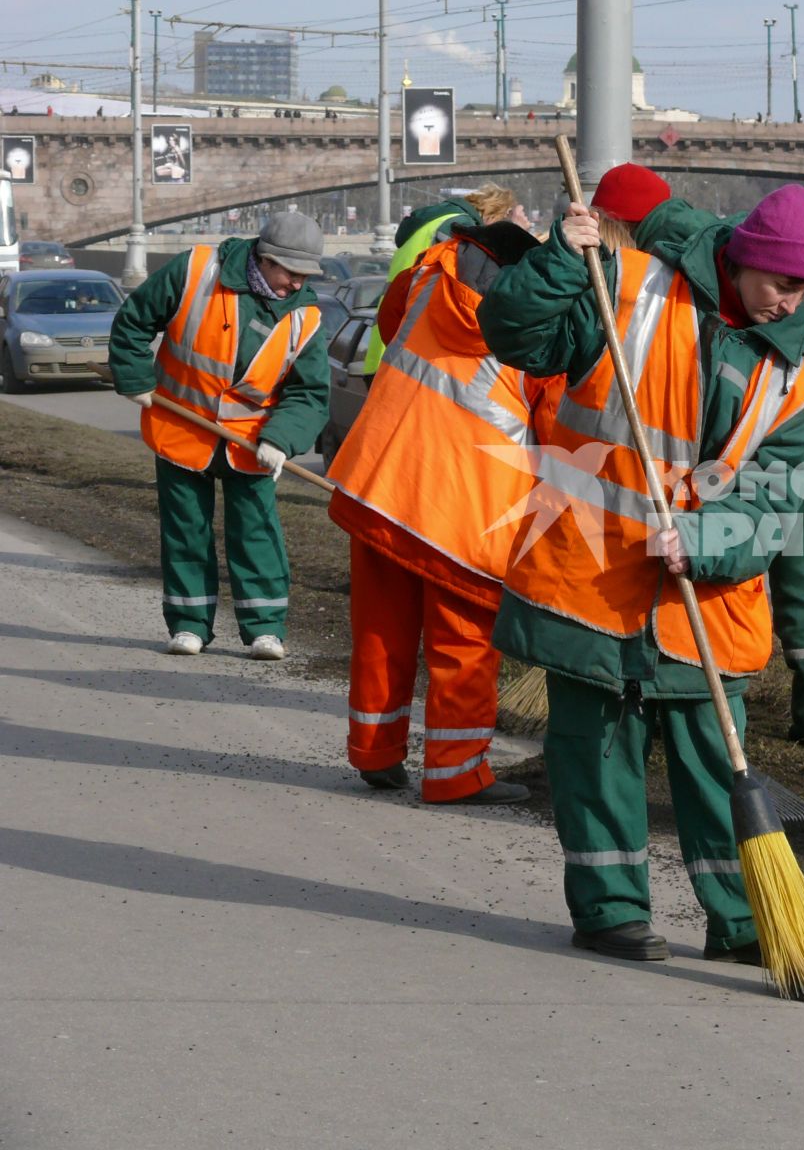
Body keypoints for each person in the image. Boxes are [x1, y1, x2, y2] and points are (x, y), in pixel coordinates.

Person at [478, 183, 804, 964]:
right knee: (594, 759)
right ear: (743, 262)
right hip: (588, 581)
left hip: (702, 601)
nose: (793, 302)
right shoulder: (629, 286)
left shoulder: (800, 376)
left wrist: (706, 541)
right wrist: (557, 265)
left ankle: (743, 920)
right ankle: (610, 911)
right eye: (783, 284)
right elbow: (515, 335)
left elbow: (779, 496)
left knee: (718, 770)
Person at [327, 214, 543, 804]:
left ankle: (376, 752)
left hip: (380, 483)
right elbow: (554, 425)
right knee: (464, 644)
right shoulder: (532, 326)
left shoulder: (421, 283)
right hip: (460, 510)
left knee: (380, 629)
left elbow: (392, 336)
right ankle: (454, 774)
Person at [108, 212, 330, 659]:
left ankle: (265, 629)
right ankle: (189, 625)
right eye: (290, 273)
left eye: (305, 275)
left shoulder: (306, 315)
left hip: (252, 440)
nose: (296, 284)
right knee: (186, 529)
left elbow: (310, 393)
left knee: (257, 533)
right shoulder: (196, 270)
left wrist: (282, 440)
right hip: (181, 426)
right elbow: (134, 321)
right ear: (265, 259)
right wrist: (135, 380)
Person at [364, 183, 523, 373]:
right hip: (414, 351)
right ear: (496, 213)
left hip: (391, 341)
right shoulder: (458, 227)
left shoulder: (435, 221)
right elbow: (466, 292)